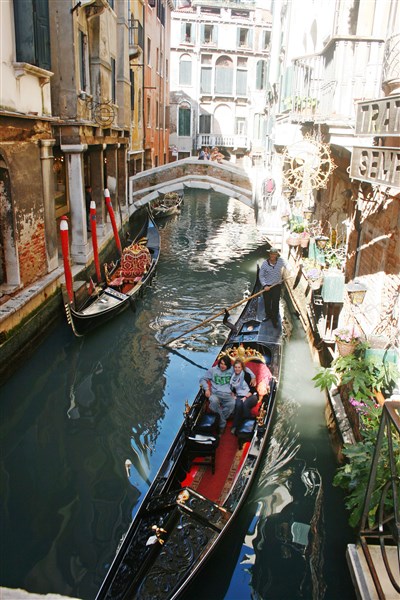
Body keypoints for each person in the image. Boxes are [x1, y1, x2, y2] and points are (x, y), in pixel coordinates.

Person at [199, 354, 234, 433]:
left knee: (233, 403)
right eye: (221, 363)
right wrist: (207, 389)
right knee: (214, 401)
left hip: (227, 394)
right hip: (215, 393)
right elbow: (202, 379)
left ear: (228, 365)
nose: (222, 366)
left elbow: (243, 370)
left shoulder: (232, 369)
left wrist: (253, 377)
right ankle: (222, 424)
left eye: (225, 364)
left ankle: (219, 420)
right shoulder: (212, 370)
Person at [259, 248, 290, 328]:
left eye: (274, 254)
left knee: (275, 303)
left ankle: (274, 319)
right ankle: (268, 315)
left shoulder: (280, 261)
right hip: (267, 286)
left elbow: (287, 265)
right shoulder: (265, 264)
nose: (272, 256)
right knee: (267, 302)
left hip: (277, 285)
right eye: (271, 254)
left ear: (276, 255)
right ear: (269, 254)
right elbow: (261, 276)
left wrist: (291, 270)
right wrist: (264, 285)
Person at [230, 359, 258, 435]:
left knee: (245, 404)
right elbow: (232, 389)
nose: (237, 369)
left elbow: (252, 389)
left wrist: (245, 397)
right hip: (239, 395)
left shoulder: (247, 375)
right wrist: (233, 395)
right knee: (238, 405)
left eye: (239, 367)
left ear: (242, 368)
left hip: (251, 395)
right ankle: (235, 426)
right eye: (236, 367)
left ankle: (247, 427)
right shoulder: (233, 377)